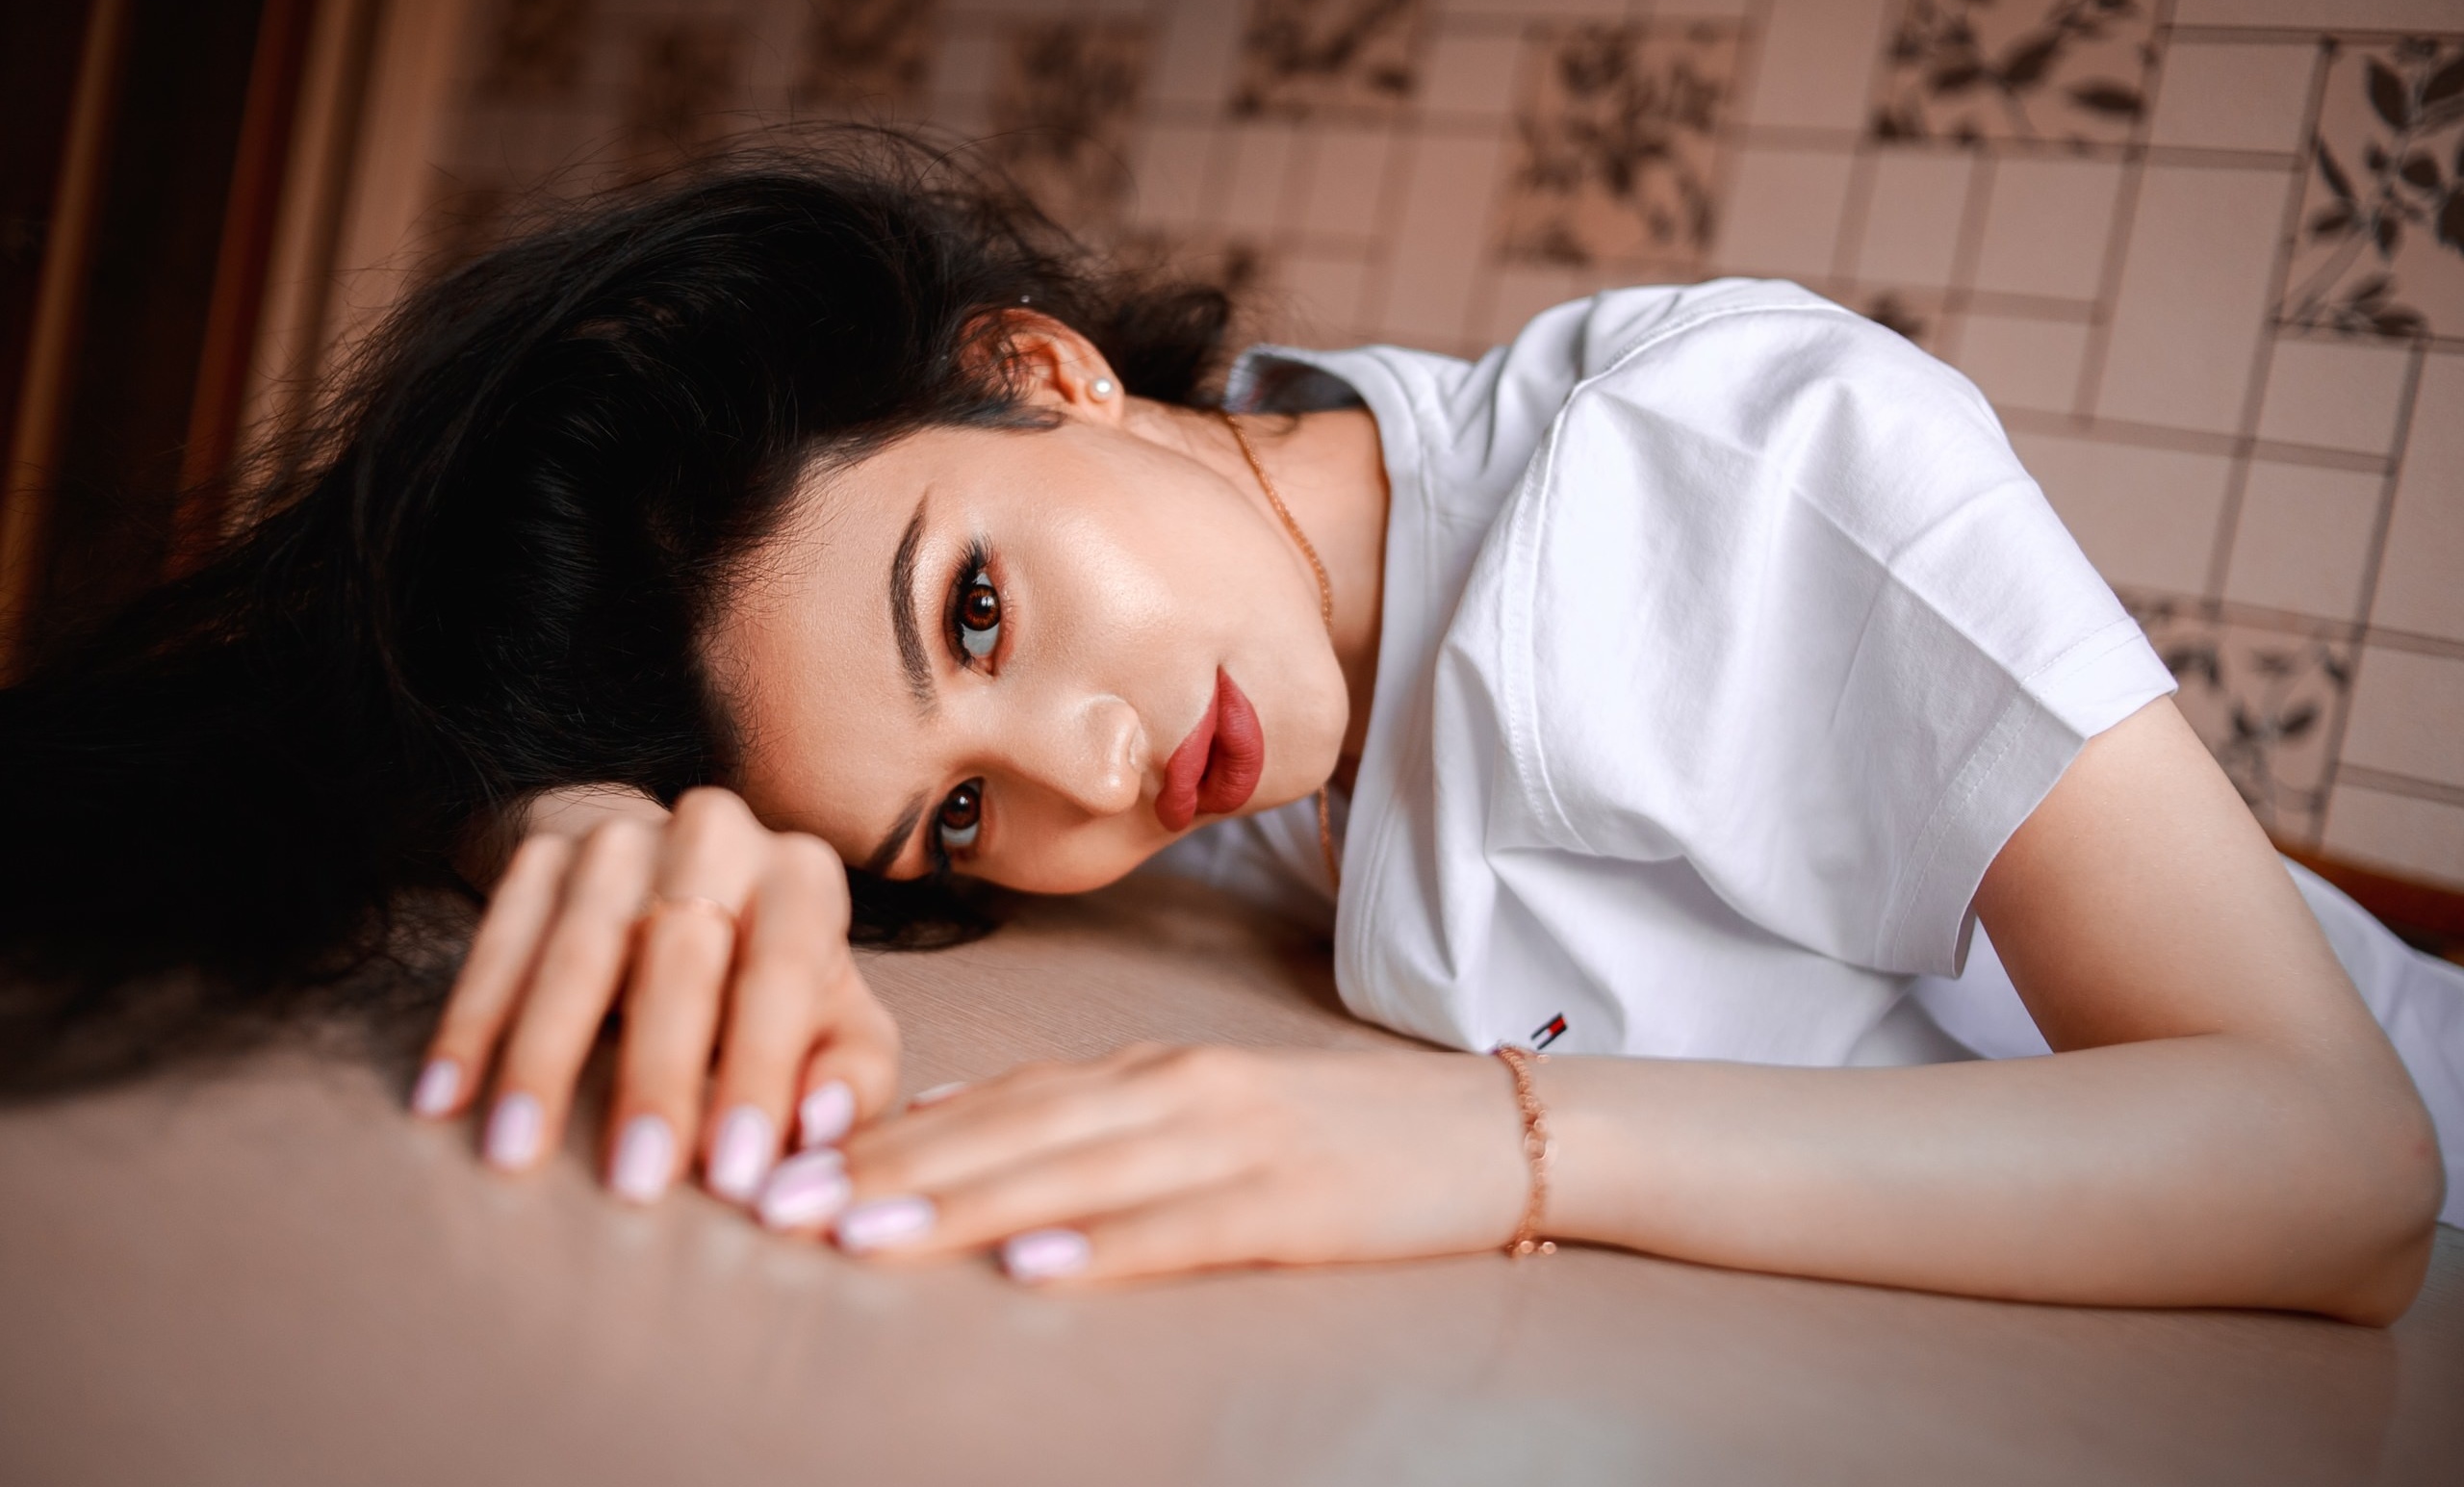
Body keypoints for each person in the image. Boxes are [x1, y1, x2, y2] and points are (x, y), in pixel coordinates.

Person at [3, 142, 2453, 1322]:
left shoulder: (1719, 464)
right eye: (952, 808)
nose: (1081, 771)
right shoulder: (1213, 726)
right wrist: (604, 817)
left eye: (973, 598)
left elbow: (2324, 1162)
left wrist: (1482, 1142)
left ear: (1041, 365)